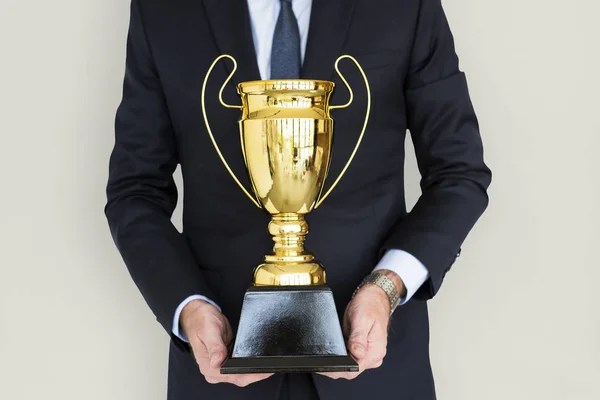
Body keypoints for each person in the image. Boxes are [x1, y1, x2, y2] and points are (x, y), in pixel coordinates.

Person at [105, 0, 491, 399]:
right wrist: (189, 307)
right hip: (222, 375)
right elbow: (135, 191)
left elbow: (459, 174)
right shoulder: (163, 10)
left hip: (376, 375)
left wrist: (387, 287)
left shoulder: (404, 6)